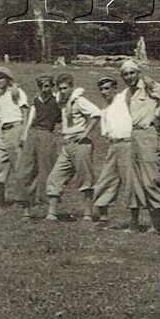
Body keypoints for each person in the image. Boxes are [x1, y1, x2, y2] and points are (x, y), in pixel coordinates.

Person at [120, 59, 160, 235]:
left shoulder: (148, 86)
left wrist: (157, 113)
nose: (129, 77)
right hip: (134, 136)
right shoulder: (127, 93)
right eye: (125, 74)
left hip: (148, 134)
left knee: (150, 179)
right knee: (136, 181)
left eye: (132, 73)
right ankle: (155, 224)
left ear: (138, 73)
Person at [45, 72, 102, 221]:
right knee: (55, 177)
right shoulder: (62, 100)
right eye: (60, 88)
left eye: (65, 88)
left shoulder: (79, 100)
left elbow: (96, 114)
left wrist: (85, 133)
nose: (62, 91)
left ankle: (88, 214)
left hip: (80, 143)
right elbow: (51, 95)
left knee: (85, 178)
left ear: (71, 87)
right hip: (67, 144)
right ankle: (51, 214)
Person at [91, 76, 137, 231]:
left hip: (127, 144)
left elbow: (137, 84)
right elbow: (106, 132)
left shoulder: (123, 98)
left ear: (115, 88)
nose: (104, 92)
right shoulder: (104, 109)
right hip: (113, 146)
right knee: (105, 179)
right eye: (101, 89)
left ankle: (134, 221)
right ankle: (103, 217)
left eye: (107, 88)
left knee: (130, 181)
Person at [18, 75, 61, 219]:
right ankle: (27, 208)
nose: (44, 89)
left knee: (48, 169)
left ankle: (50, 209)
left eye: (47, 86)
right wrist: (24, 134)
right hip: (33, 134)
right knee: (26, 170)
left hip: (47, 134)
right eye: (41, 86)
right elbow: (31, 118)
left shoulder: (57, 100)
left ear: (52, 86)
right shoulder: (36, 100)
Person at [0, 67, 29, 205]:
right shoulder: (0, 95)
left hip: (15, 128)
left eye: (1, 78)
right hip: (3, 131)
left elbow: (25, 112)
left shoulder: (16, 92)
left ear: (8, 79)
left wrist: (23, 132)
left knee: (18, 165)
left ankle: (22, 199)